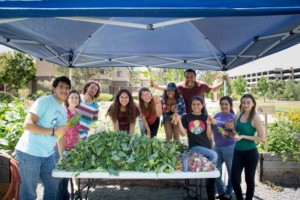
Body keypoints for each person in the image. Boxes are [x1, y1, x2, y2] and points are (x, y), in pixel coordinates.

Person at [15, 76, 71, 200]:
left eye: (67, 88)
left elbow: (60, 135)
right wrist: (53, 131)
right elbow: (27, 125)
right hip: (29, 152)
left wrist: (62, 158)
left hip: (48, 154)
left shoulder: (63, 110)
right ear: (54, 89)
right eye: (61, 87)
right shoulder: (44, 101)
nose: (64, 90)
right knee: (29, 192)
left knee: (52, 187)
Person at [178, 95, 217, 200]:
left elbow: (209, 136)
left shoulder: (206, 117)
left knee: (213, 173)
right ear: (191, 105)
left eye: (198, 104)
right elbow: (182, 133)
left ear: (202, 105)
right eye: (193, 104)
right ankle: (205, 171)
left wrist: (208, 124)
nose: (196, 106)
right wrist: (178, 121)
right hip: (194, 148)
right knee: (214, 156)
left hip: (207, 148)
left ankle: (211, 195)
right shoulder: (186, 117)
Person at [229, 94, 264, 200]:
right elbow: (236, 133)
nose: (245, 105)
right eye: (243, 102)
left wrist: (244, 136)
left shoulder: (255, 118)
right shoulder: (238, 115)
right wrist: (232, 130)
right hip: (237, 152)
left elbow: (261, 138)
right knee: (234, 179)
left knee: (249, 180)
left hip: (251, 153)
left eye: (248, 102)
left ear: (253, 104)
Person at [151, 69, 230, 114]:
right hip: (188, 114)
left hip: (201, 113)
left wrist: (223, 83)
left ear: (195, 77)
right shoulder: (180, 86)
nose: (189, 79)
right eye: (187, 77)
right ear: (184, 78)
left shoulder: (201, 85)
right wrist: (155, 86)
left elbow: (213, 89)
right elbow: (167, 88)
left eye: (191, 77)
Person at [56, 90, 81, 200]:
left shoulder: (77, 113)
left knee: (66, 177)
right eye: (72, 97)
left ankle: (65, 197)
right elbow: (61, 134)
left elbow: (77, 132)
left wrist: (80, 146)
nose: (74, 99)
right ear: (67, 99)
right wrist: (61, 155)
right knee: (61, 179)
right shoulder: (63, 112)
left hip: (73, 148)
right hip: (62, 148)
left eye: (76, 97)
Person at [212, 96, 236, 200]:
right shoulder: (216, 115)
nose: (224, 106)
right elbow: (212, 126)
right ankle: (220, 191)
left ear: (230, 105)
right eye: (222, 104)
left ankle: (229, 191)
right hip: (217, 147)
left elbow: (236, 134)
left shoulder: (233, 117)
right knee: (216, 170)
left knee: (231, 170)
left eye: (226, 104)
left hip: (229, 147)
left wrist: (230, 130)